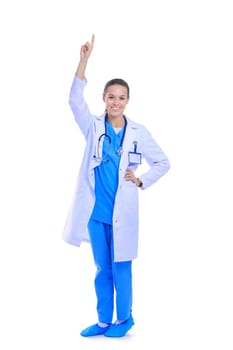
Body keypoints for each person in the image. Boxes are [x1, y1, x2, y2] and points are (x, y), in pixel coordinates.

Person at [62, 34, 170, 338]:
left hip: (123, 213)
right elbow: (73, 101)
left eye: (121, 97)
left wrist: (141, 179)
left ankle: (125, 319)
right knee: (102, 270)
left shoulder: (139, 132)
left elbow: (163, 163)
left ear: (128, 101)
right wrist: (84, 60)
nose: (116, 102)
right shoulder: (93, 127)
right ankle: (103, 321)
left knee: (121, 268)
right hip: (97, 215)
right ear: (104, 99)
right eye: (111, 97)